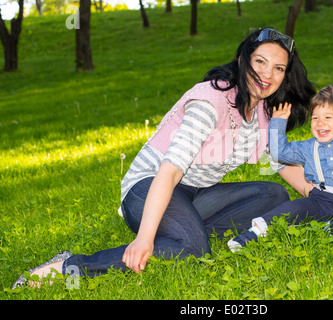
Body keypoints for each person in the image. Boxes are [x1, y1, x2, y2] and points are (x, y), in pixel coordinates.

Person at [12, 27, 316, 288]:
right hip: (148, 188)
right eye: (260, 61)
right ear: (242, 60)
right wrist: (144, 238)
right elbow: (169, 172)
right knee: (195, 249)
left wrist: (329, 199)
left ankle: (178, 234)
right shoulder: (210, 101)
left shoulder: (263, 112)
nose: (267, 74)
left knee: (273, 193)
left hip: (193, 195)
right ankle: (67, 266)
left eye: (278, 68)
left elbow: (282, 164)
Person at [228, 85, 333, 252]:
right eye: (315, 118)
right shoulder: (309, 147)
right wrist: (278, 123)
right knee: (290, 209)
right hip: (319, 200)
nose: (320, 123)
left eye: (328, 117)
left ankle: (330, 231)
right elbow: (279, 153)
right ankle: (254, 233)